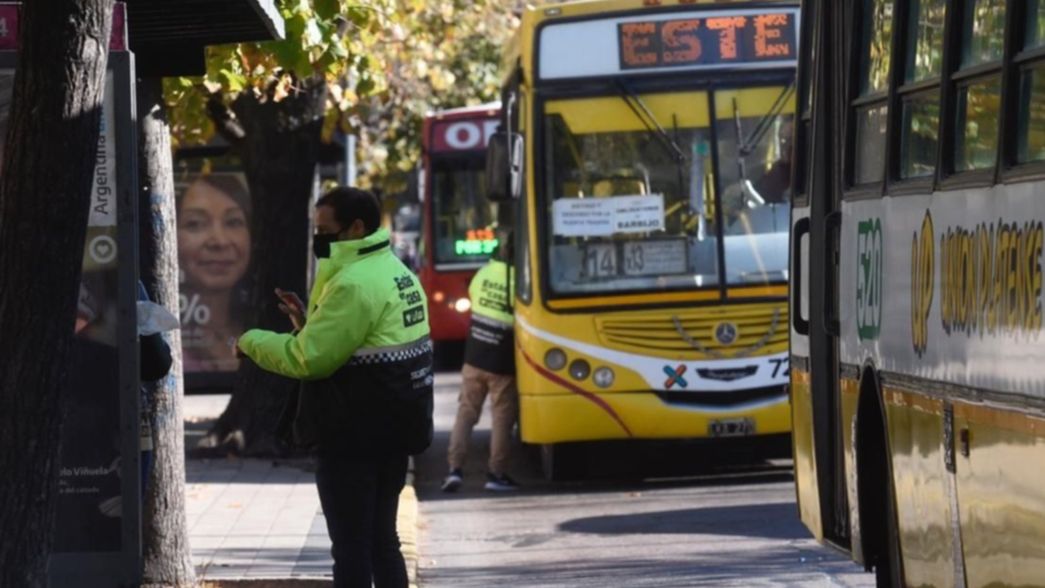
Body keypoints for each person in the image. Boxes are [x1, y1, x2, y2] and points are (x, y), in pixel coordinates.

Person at [237, 187, 434, 588]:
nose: (318, 238)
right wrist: (309, 323)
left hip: (352, 435)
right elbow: (365, 343)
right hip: (394, 429)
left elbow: (310, 359)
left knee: (351, 549)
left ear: (356, 227)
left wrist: (250, 341)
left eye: (325, 229)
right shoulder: (397, 272)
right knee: (383, 541)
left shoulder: (353, 284)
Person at [441, 234, 518, 492]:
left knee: (466, 413)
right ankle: (496, 474)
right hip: (502, 359)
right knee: (501, 418)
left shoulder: (483, 274)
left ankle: (454, 470)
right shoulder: (520, 279)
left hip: (474, 355)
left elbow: (475, 301)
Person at [177, 173, 252, 373]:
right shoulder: (161, 339)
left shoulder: (260, 328)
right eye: (195, 224)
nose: (219, 241)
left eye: (233, 222)